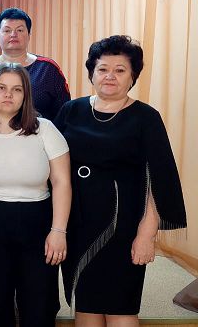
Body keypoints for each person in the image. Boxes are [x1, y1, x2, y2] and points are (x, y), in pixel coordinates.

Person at [54, 35, 187, 325]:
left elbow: (159, 179)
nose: (110, 76)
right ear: (92, 73)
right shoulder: (71, 111)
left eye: (120, 70)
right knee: (86, 306)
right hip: (78, 224)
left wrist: (146, 235)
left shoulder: (146, 117)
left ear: (132, 76)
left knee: (120, 309)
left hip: (124, 227)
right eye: (102, 69)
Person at [0, 63, 71, 327]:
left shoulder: (45, 129)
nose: (8, 95)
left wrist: (58, 231)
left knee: (39, 307)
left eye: (17, 89)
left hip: (36, 224)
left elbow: (62, 182)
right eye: (1, 88)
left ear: (26, 95)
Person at [0, 7, 70, 120]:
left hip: (39, 130)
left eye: (20, 30)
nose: (13, 34)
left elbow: (64, 113)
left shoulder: (47, 69)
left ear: (29, 35)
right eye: (7, 30)